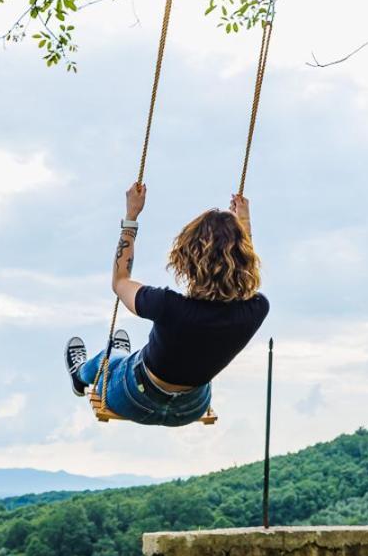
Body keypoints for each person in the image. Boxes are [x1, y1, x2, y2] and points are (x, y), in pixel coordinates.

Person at [65, 182, 269, 426]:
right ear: (244, 258)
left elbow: (120, 281)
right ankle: (119, 356)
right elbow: (245, 278)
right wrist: (243, 225)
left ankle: (80, 375)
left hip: (136, 399)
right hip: (190, 409)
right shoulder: (256, 309)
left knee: (107, 358)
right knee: (173, 355)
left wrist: (131, 216)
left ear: (186, 257)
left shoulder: (166, 305)